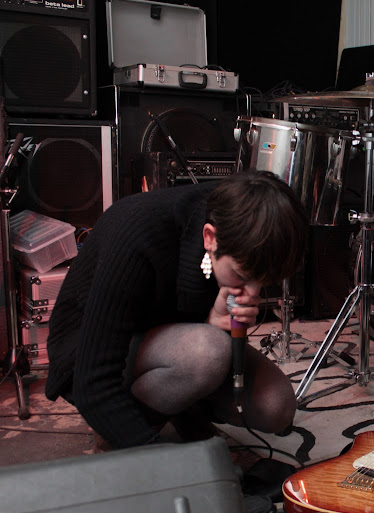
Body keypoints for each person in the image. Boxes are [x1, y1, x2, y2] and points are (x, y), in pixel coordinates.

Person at [45, 170, 309, 450]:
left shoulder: (234, 226)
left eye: (264, 283)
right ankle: (124, 427)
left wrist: (214, 321)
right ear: (210, 238)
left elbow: (189, 326)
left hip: (169, 344)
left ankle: (180, 409)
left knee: (275, 405)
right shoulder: (136, 232)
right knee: (207, 353)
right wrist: (166, 463)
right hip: (87, 354)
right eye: (242, 276)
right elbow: (92, 382)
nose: (253, 293)